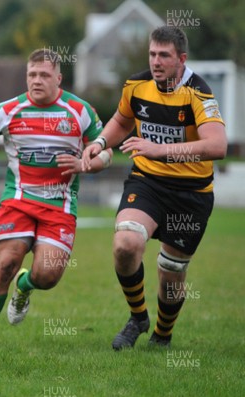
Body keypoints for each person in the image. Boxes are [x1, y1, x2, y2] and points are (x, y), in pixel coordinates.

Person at [0, 48, 113, 348]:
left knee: (48, 275)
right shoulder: (9, 110)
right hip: (18, 200)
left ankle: (25, 285)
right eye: (32, 74)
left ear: (59, 78)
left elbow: (107, 152)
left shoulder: (80, 111)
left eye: (44, 75)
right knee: (6, 262)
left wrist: (89, 163)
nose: (37, 80)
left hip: (60, 205)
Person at [81, 26, 226, 350]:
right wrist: (101, 141)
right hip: (148, 181)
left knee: (171, 271)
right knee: (125, 243)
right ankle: (138, 317)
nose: (156, 61)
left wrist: (160, 149)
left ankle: (162, 334)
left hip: (191, 192)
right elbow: (122, 119)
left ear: (181, 59)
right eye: (152, 54)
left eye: (164, 55)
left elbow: (217, 145)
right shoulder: (137, 84)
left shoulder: (198, 93)